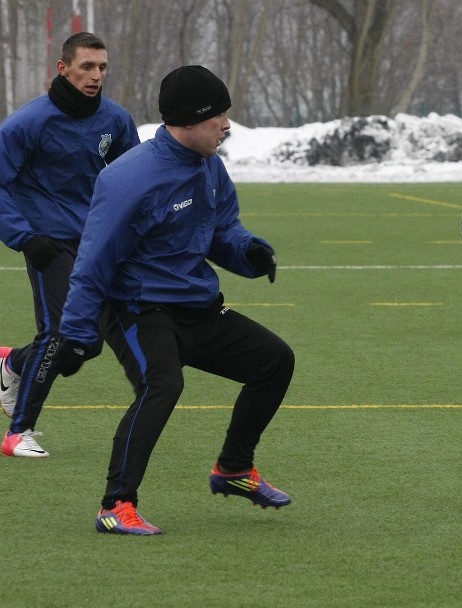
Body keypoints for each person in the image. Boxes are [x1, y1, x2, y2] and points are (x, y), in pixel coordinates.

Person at [52, 65, 296, 535]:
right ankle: (116, 505)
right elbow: (92, 262)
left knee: (274, 361)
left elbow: (222, 230)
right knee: (163, 385)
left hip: (197, 305)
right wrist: (77, 333)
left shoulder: (211, 166)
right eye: (217, 117)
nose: (226, 125)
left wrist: (249, 252)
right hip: (136, 309)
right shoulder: (130, 177)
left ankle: (233, 470)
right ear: (188, 120)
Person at [0, 32, 139, 458]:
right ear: (63, 68)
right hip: (47, 244)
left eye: (102, 68)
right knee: (61, 334)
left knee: (83, 348)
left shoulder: (116, 121)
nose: (96, 76)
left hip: (96, 245)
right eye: (87, 67)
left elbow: (135, 180)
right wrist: (26, 238)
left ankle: (12, 364)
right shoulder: (27, 124)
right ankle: (18, 433)